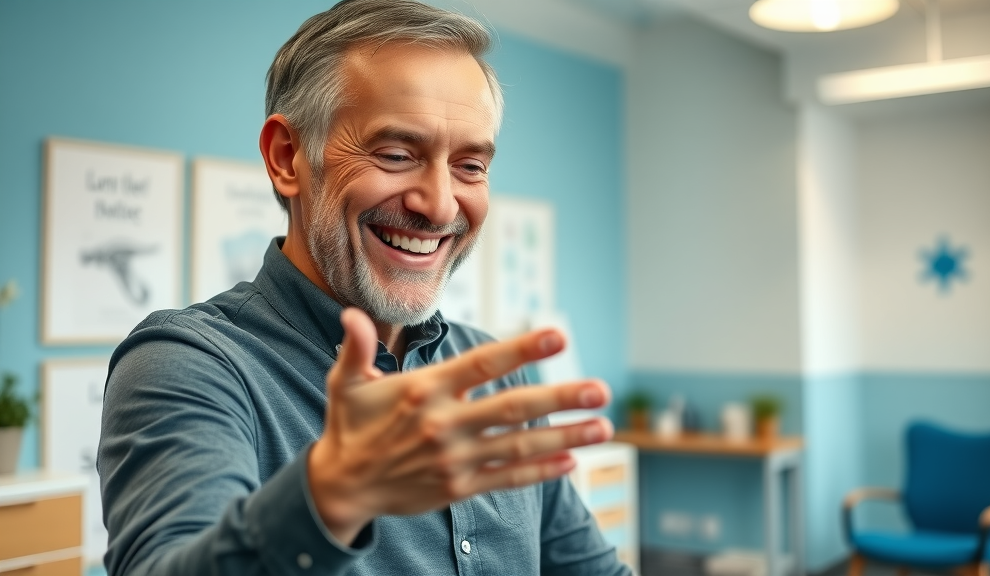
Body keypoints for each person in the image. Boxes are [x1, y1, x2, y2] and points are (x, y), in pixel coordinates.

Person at [97, 1, 631, 575]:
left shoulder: (492, 374)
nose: (441, 204)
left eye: (470, 166)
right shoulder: (188, 364)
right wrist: (328, 499)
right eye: (398, 155)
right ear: (288, 158)